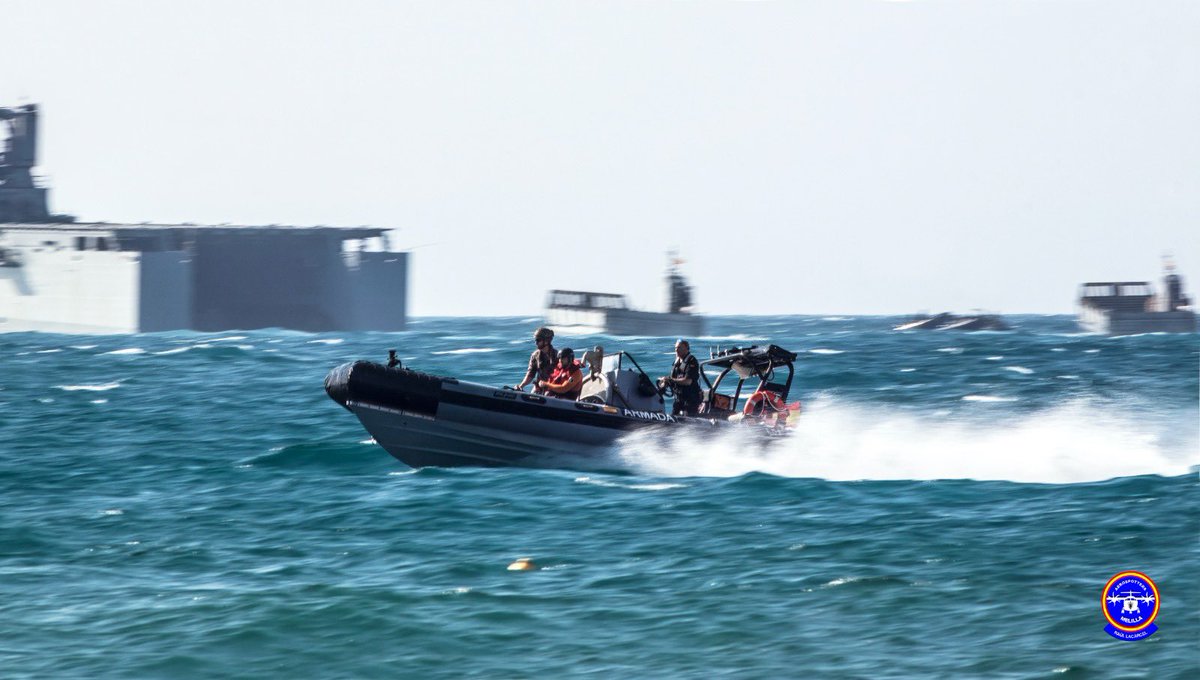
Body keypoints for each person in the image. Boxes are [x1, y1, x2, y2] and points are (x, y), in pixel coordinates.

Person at [659, 339, 702, 416]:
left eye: (679, 348)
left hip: (690, 399)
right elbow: (673, 378)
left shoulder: (692, 361)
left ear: (686, 348)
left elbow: (688, 381)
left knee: (687, 419)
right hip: (678, 399)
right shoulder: (677, 362)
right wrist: (665, 382)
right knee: (673, 417)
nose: (676, 350)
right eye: (675, 348)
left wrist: (671, 380)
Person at [515, 327, 558, 394]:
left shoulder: (557, 356)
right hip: (539, 387)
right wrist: (521, 386)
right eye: (535, 340)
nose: (536, 343)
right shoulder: (535, 355)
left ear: (546, 341)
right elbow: (530, 375)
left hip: (554, 387)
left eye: (538, 340)